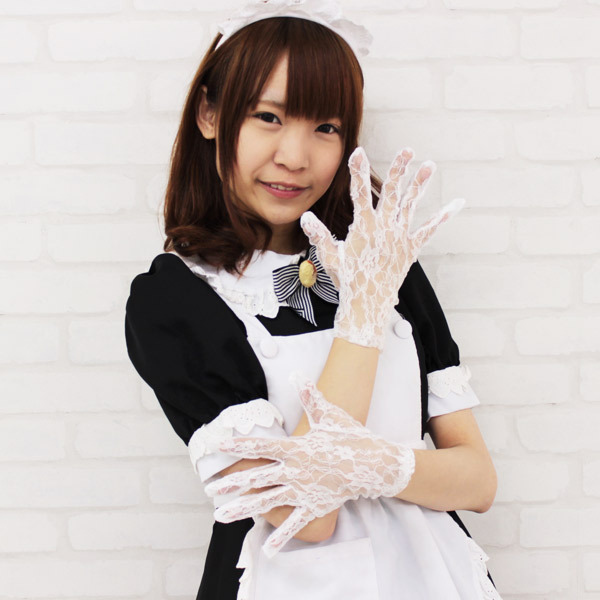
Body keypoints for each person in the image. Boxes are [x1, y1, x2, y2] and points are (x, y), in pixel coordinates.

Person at [124, 2, 501, 599]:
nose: (295, 158)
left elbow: (478, 482)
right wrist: (361, 320)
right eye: (268, 117)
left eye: (325, 127)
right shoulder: (174, 300)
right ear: (210, 114)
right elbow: (308, 514)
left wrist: (379, 466)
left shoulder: (382, 261)